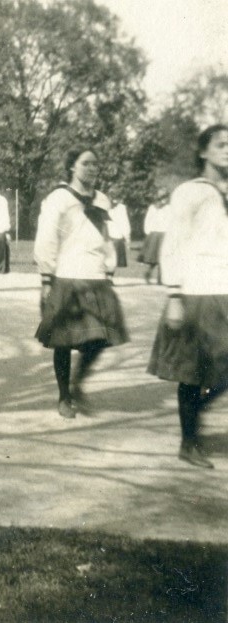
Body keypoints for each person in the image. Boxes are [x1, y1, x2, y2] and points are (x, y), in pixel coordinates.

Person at [148, 124, 228, 469]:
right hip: (197, 291)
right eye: (221, 144)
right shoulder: (190, 192)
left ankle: (197, 413)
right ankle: (188, 443)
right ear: (203, 152)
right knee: (193, 373)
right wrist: (174, 295)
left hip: (225, 290)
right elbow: (174, 243)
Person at [34, 147, 128, 419]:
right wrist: (46, 278)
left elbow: (107, 237)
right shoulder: (59, 198)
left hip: (96, 276)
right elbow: (47, 237)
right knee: (63, 341)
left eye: (95, 164)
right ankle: (64, 396)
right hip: (67, 276)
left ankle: (77, 382)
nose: (92, 168)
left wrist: (109, 268)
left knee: (101, 335)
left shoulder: (102, 200)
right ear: (72, 167)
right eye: (85, 163)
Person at [139, 197, 167, 284]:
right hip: (154, 234)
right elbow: (148, 220)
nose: (163, 201)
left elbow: (171, 221)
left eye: (165, 199)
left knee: (163, 257)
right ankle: (148, 274)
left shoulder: (168, 208)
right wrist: (148, 232)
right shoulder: (152, 208)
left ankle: (160, 278)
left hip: (165, 233)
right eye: (161, 199)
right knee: (153, 258)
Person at [109, 198, 131, 269]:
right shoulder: (105, 206)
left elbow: (124, 222)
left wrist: (127, 236)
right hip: (110, 234)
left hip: (116, 234)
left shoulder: (121, 208)